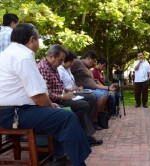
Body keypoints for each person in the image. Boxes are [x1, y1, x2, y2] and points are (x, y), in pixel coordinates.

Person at [0, 23, 90, 166]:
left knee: (58, 114)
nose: (39, 43)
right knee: (66, 117)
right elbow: (38, 96)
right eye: (38, 39)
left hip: (12, 110)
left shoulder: (7, 54)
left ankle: (59, 156)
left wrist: (50, 104)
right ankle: (79, 162)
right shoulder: (23, 56)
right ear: (32, 40)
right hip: (14, 113)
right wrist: (50, 105)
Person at [38, 44, 102, 146]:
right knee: (81, 106)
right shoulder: (44, 68)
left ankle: (82, 135)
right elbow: (45, 93)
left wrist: (68, 91)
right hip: (54, 101)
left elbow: (59, 85)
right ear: (51, 56)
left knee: (85, 103)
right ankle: (80, 135)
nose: (60, 63)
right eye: (60, 60)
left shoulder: (53, 67)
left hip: (61, 97)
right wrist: (63, 96)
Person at [71, 50, 114, 124]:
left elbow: (92, 83)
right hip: (81, 89)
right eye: (94, 61)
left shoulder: (86, 67)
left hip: (89, 88)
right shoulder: (77, 62)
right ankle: (94, 119)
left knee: (105, 93)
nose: (94, 64)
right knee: (102, 95)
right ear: (89, 58)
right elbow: (66, 69)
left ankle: (97, 118)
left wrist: (108, 88)